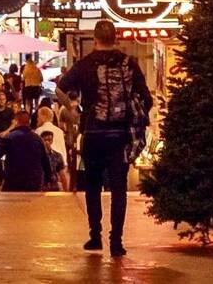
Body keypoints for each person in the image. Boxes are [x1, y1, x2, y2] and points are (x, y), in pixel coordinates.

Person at [57, 20, 153, 258]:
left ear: (95, 38)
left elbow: (62, 87)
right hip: (120, 135)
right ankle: (117, 241)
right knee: (118, 188)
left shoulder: (85, 65)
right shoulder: (129, 63)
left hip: (93, 133)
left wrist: (75, 108)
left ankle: (95, 235)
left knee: (93, 186)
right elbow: (146, 98)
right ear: (116, 37)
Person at [1, 111, 54, 192]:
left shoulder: (10, 137)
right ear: (28, 122)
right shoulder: (37, 139)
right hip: (34, 181)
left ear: (16, 121)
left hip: (13, 180)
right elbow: (45, 160)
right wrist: (49, 178)